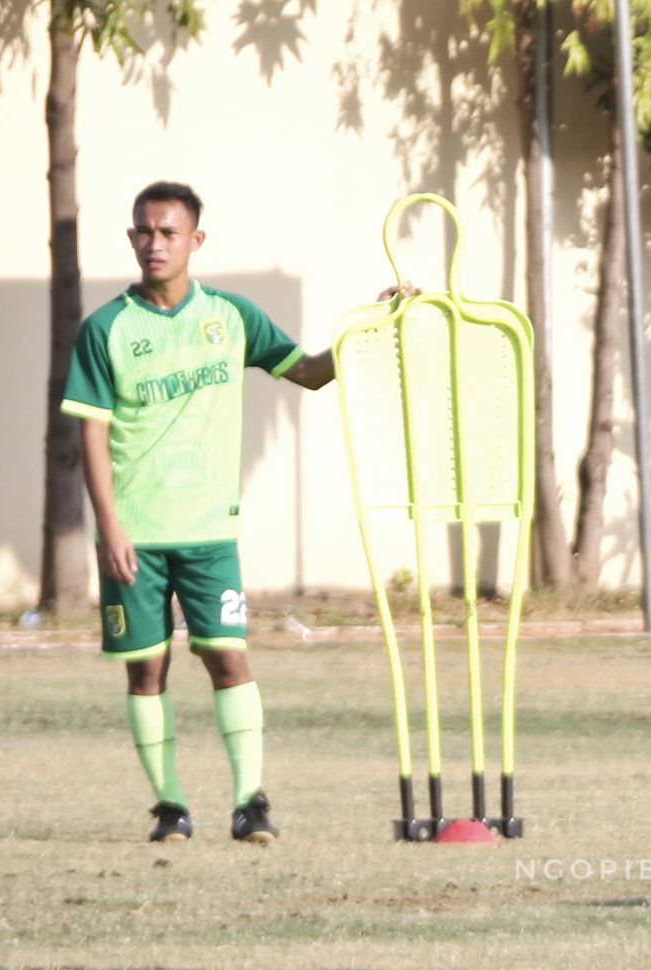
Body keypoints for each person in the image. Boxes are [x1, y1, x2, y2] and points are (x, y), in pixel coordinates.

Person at [61, 180, 408, 845]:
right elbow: (92, 434)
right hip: (136, 534)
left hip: (209, 532)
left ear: (196, 240)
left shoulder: (232, 317)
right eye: (143, 231)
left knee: (228, 658)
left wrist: (371, 325)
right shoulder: (106, 329)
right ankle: (170, 808)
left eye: (168, 232)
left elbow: (309, 371)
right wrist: (109, 526)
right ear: (132, 238)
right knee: (148, 668)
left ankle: (251, 802)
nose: (154, 243)